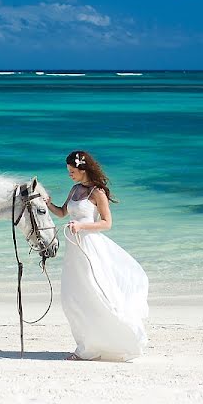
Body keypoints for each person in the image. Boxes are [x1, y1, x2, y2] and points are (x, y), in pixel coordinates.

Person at [44, 150, 149, 361]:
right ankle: (87, 344)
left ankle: (95, 347)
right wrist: (48, 204)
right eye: (68, 171)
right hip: (74, 250)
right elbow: (63, 213)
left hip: (90, 248)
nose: (69, 175)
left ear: (83, 169)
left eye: (72, 171)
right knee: (74, 297)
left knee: (94, 294)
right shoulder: (74, 190)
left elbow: (106, 223)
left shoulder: (97, 193)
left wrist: (81, 225)